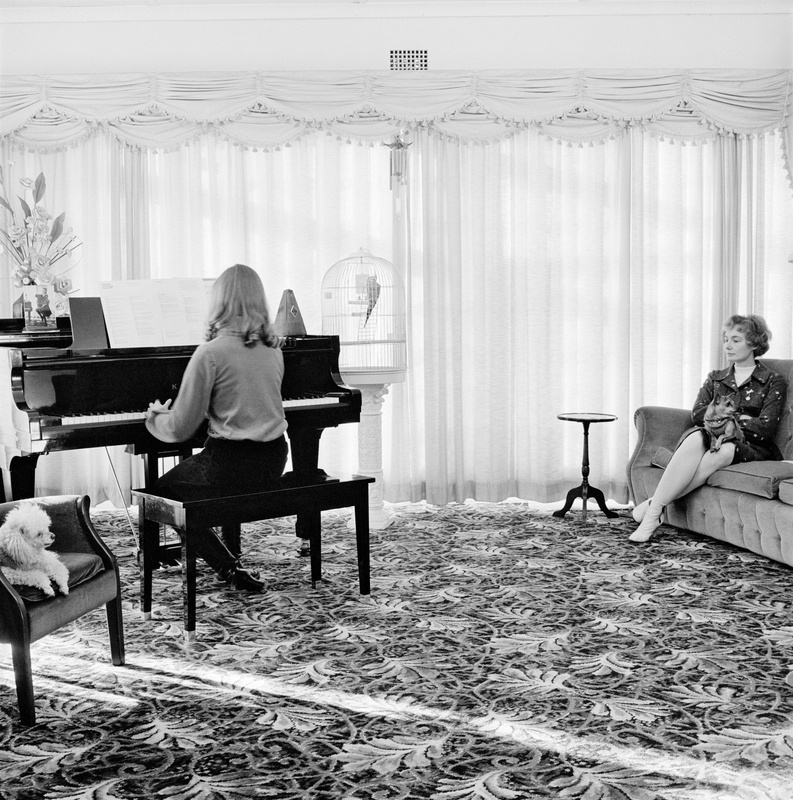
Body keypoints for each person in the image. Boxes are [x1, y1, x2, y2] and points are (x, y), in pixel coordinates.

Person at [145, 264, 289, 591]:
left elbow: (180, 429)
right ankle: (230, 562)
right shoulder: (273, 349)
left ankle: (228, 567)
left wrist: (155, 417)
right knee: (198, 472)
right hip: (274, 458)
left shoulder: (210, 353)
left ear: (218, 301)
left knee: (160, 494)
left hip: (231, 463)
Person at [630, 314, 787, 544]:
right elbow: (697, 414)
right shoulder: (716, 378)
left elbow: (765, 428)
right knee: (696, 438)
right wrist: (737, 417)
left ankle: (653, 508)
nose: (727, 345)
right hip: (712, 435)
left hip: (750, 446)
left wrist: (724, 417)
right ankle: (655, 513)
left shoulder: (773, 380)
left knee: (724, 450)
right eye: (726, 339)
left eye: (735, 340)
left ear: (754, 343)